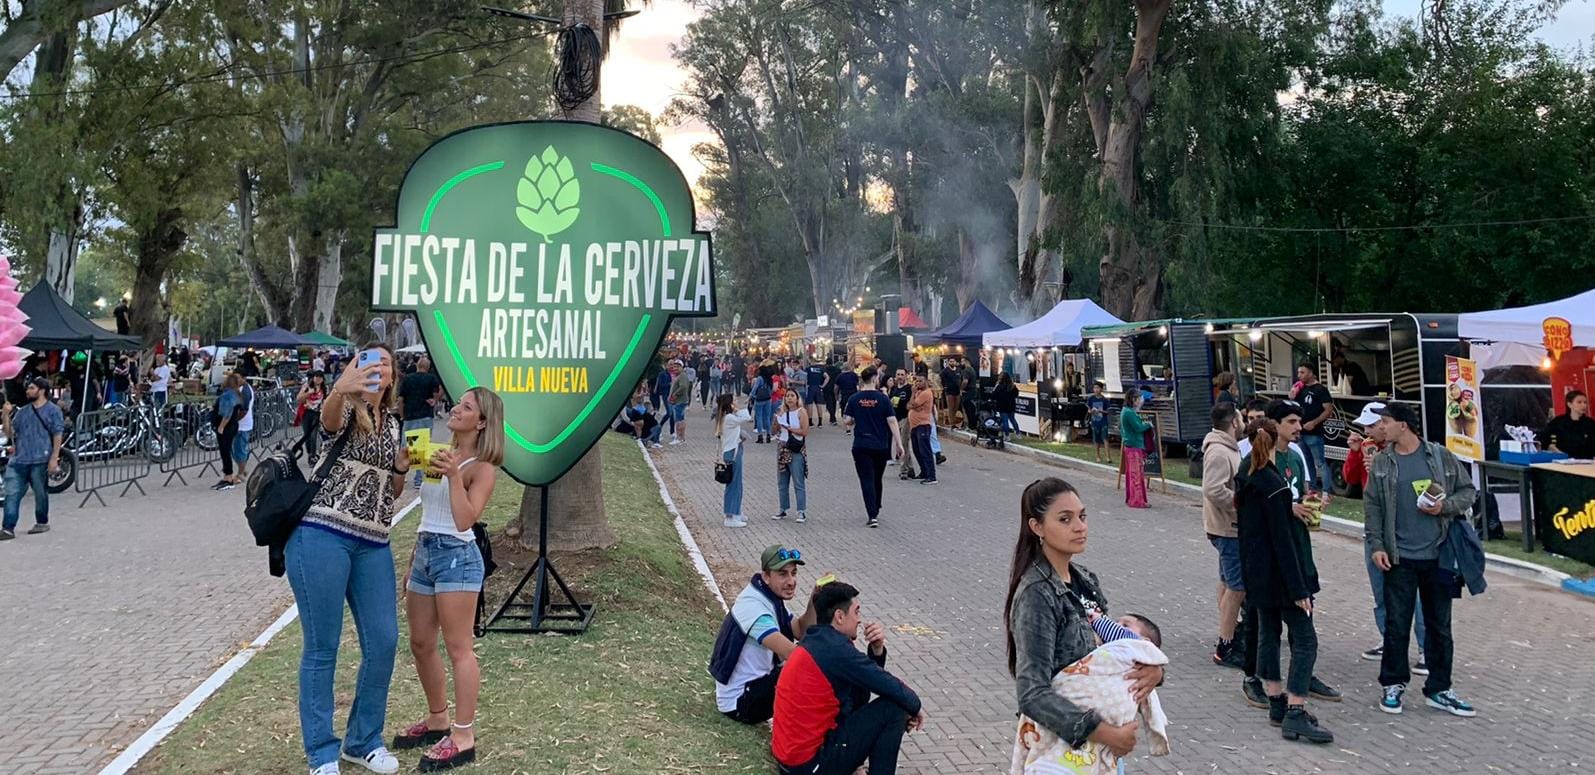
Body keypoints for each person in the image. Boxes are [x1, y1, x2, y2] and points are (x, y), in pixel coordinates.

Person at [288, 343, 408, 775]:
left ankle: (363, 740)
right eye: (370, 362)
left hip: (373, 541)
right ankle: (321, 751)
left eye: (386, 364)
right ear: (357, 368)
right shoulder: (342, 408)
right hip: (323, 534)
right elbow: (328, 419)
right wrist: (341, 387)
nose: (379, 370)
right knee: (323, 646)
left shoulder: (394, 424)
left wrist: (400, 469)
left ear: (393, 377)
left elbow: (391, 493)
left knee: (384, 640)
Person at [1004, 478, 1163, 767]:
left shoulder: (1086, 581)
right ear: (1036, 527)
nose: (1080, 526)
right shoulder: (1037, 595)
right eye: (1065, 519)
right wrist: (1104, 733)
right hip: (1063, 748)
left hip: (1102, 750)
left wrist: (1153, 674)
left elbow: (1110, 654)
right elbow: (1032, 693)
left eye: (1082, 516)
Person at [395, 387, 504, 772]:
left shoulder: (482, 467)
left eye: (467, 407)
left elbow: (463, 519)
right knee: (421, 642)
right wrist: (402, 465)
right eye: (458, 403)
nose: (456, 409)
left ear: (483, 422)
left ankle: (463, 735)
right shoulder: (440, 453)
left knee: (459, 647)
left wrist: (455, 476)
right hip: (426, 551)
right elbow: (426, 509)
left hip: (457, 557)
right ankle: (437, 717)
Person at [1366, 402, 1478, 718]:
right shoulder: (1382, 462)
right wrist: (1376, 545)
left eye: (1386, 422)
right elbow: (1372, 506)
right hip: (1399, 557)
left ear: (1404, 425)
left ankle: (1440, 689)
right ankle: (1393, 684)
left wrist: (1442, 507)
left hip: (1438, 556)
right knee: (1397, 624)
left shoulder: (1439, 456)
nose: (1381, 427)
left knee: (1439, 626)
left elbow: (1467, 492)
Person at [1235, 417, 1334, 744]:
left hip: (1258, 576)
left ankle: (1276, 700)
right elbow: (1282, 541)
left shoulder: (1247, 476)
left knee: (1268, 632)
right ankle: (1295, 709)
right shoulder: (1274, 486)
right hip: (1280, 577)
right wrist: (1299, 589)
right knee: (1305, 640)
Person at [771, 582, 924, 775]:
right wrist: (914, 707)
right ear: (840, 617)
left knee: (888, 703)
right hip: (809, 765)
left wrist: (876, 650)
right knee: (895, 708)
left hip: (793, 760)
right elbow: (886, 684)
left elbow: (862, 691)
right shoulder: (836, 650)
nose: (859, 620)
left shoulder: (816, 641)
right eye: (856, 612)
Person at [1344, 403, 1429, 672]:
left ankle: (1427, 648)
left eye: (1373, 425)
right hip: (1375, 531)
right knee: (1381, 590)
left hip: (1404, 534)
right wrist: (1356, 455)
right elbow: (1352, 481)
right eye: (1366, 427)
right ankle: (1389, 641)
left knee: (1413, 595)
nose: (1368, 431)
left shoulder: (1410, 453)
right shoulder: (1369, 450)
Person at [709, 545, 821, 724]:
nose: (791, 581)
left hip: (754, 688)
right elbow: (793, 655)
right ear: (766, 576)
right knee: (812, 673)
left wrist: (815, 601)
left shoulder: (768, 597)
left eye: (794, 573)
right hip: (740, 703)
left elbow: (800, 630)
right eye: (783, 574)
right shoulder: (754, 608)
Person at [1202, 401, 1246, 670]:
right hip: (1228, 528)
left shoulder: (1228, 449)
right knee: (1236, 587)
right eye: (1240, 419)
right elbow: (1214, 489)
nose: (1243, 424)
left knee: (1227, 581)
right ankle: (1226, 643)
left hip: (1227, 527)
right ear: (1233, 422)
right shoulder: (1219, 452)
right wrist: (1241, 503)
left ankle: (1229, 631)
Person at [0, 378, 66, 541]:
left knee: (40, 493)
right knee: (12, 493)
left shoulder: (53, 410)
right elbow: (10, 433)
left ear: (41, 390)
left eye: (31, 388)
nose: (27, 391)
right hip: (19, 460)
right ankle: (8, 527)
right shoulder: (23, 412)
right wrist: (5, 415)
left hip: (40, 458)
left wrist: (54, 458)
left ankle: (42, 521)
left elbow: (58, 434)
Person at [843, 367, 902, 529]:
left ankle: (872, 513)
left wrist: (854, 420)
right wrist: (899, 443)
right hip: (880, 445)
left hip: (861, 445)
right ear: (875, 378)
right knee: (877, 477)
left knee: (866, 479)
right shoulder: (883, 399)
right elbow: (892, 421)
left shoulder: (854, 399)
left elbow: (847, 420)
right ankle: (876, 505)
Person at [1291, 364, 1335, 497]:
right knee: (1307, 462)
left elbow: (1329, 410)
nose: (1299, 375)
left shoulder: (1320, 390)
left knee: (1320, 462)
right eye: (1298, 372)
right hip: (1301, 432)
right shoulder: (1300, 388)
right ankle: (1312, 487)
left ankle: (1327, 490)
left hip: (1314, 433)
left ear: (1311, 373)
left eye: (1302, 372)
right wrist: (1292, 395)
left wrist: (1314, 422)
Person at [399, 356, 443, 487]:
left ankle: (400, 474)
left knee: (405, 447)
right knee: (421, 447)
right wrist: (435, 400)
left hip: (409, 415)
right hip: (425, 415)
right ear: (428, 367)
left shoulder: (408, 379)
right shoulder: (431, 378)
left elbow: (401, 399)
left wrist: (402, 415)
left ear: (417, 365)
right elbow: (439, 389)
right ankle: (418, 479)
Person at [771, 390, 811, 522]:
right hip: (782, 447)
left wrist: (789, 428)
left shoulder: (801, 412)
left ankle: (801, 510)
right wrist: (777, 421)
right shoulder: (781, 411)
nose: (789, 399)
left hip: (795, 448)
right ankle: (782, 508)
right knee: (782, 481)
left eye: (792, 396)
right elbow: (774, 430)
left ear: (797, 398)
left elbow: (804, 431)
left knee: (798, 481)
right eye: (787, 396)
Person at [715, 394, 753, 528]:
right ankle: (731, 515)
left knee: (737, 483)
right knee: (734, 485)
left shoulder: (726, 418)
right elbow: (747, 417)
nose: (737, 402)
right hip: (732, 453)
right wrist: (737, 409)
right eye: (734, 401)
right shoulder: (729, 417)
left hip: (733, 450)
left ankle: (737, 511)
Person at [212, 373, 248, 490]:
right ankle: (228, 475)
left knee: (225, 451)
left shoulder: (227, 395)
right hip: (233, 425)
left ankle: (228, 476)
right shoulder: (237, 395)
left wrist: (221, 426)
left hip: (226, 427)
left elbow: (226, 413)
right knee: (226, 450)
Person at [1119, 390, 1153, 509]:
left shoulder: (1126, 411)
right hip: (1134, 445)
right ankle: (1137, 500)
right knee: (1136, 475)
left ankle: (1132, 498)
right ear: (1133, 399)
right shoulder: (1129, 413)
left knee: (1132, 474)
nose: (1139, 401)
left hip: (1130, 444)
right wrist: (1148, 425)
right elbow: (1138, 428)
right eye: (1138, 399)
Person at [1540, 390, 1595, 458]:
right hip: (1563, 461)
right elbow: (1546, 440)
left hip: (1587, 462)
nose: (1583, 405)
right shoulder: (1558, 422)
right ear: (1569, 404)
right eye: (1579, 402)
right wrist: (1554, 450)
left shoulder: (1590, 423)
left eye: (1585, 402)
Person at [887, 369, 917, 479]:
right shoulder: (894, 389)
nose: (900, 377)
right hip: (896, 419)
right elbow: (890, 402)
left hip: (906, 418)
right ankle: (910, 468)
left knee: (903, 444)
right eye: (898, 374)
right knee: (902, 444)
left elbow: (912, 402)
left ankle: (903, 470)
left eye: (902, 375)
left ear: (906, 376)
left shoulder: (909, 388)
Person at [908, 375, 937, 485]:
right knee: (917, 450)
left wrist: (912, 396)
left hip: (923, 424)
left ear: (926, 382)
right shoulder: (918, 392)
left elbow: (913, 404)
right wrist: (913, 404)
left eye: (921, 381)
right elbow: (909, 406)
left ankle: (931, 475)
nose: (918, 383)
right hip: (914, 425)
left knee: (925, 450)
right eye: (917, 381)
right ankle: (924, 471)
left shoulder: (926, 393)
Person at [297, 372, 329, 459]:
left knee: (313, 434)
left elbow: (326, 400)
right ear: (313, 378)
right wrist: (309, 393)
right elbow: (299, 398)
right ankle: (309, 452)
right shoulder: (307, 386)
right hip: (306, 412)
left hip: (317, 413)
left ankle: (313, 456)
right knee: (307, 434)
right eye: (316, 377)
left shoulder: (325, 388)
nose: (318, 379)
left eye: (320, 377)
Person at [668, 359, 693, 445]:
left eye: (677, 367)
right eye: (674, 367)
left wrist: (675, 394)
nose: (675, 368)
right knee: (681, 419)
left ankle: (679, 437)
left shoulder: (682, 376)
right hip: (679, 401)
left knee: (678, 420)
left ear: (681, 367)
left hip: (679, 401)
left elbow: (683, 387)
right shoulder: (679, 376)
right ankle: (681, 438)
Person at [1086, 381, 1111, 463]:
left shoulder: (1105, 400)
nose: (1096, 390)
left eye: (1098, 388)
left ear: (1101, 389)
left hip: (1103, 421)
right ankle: (1098, 456)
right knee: (1096, 440)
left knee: (1105, 438)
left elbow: (1108, 411)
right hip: (1094, 421)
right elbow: (1088, 410)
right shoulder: (1091, 399)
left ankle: (1108, 456)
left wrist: (1101, 411)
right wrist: (1091, 411)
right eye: (1094, 388)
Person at [750, 366, 775, 444]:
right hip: (768, 399)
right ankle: (768, 435)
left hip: (759, 399)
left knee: (759, 417)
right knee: (767, 417)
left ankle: (760, 436)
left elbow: (755, 388)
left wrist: (751, 396)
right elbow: (771, 389)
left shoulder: (760, 378)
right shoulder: (770, 378)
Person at [833, 360, 859, 432]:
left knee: (844, 410)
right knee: (854, 410)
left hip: (844, 395)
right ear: (849, 367)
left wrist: (836, 395)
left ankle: (847, 428)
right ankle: (854, 422)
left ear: (843, 368)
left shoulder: (839, 376)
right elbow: (857, 386)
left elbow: (836, 387)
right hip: (853, 395)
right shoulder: (854, 375)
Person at [992, 372, 1020, 437]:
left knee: (1005, 421)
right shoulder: (1013, 386)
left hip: (1002, 406)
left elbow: (993, 395)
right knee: (1013, 419)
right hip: (1011, 405)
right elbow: (1016, 394)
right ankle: (1018, 433)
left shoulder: (999, 386)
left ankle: (1007, 435)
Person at [804, 357, 827, 426]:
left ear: (810, 362)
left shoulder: (808, 369)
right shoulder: (820, 369)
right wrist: (823, 385)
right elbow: (827, 377)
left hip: (810, 387)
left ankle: (810, 422)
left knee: (810, 404)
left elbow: (805, 378)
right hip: (818, 387)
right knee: (819, 404)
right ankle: (820, 422)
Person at [939, 359, 962, 428]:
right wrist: (942, 386)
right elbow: (938, 378)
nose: (952, 362)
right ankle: (952, 423)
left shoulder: (958, 370)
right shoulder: (945, 370)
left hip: (957, 391)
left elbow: (961, 378)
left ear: (956, 362)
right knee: (951, 407)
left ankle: (953, 419)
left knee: (956, 407)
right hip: (949, 392)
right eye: (950, 361)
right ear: (948, 362)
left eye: (953, 361)